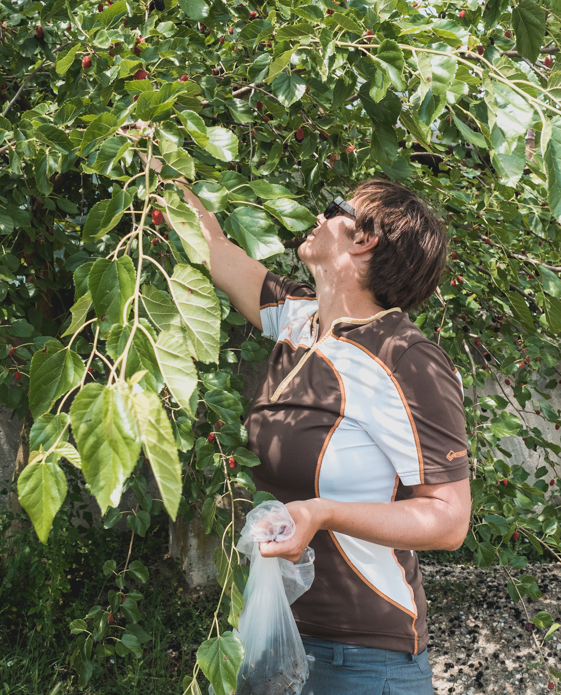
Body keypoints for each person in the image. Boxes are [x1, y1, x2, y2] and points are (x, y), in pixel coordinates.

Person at [145, 157, 470, 695]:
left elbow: (448, 519)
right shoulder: (299, 318)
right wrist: (158, 174)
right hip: (284, 636)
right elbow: (216, 251)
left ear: (365, 240)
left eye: (335, 209)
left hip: (366, 659)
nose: (319, 216)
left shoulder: (405, 357)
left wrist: (323, 513)